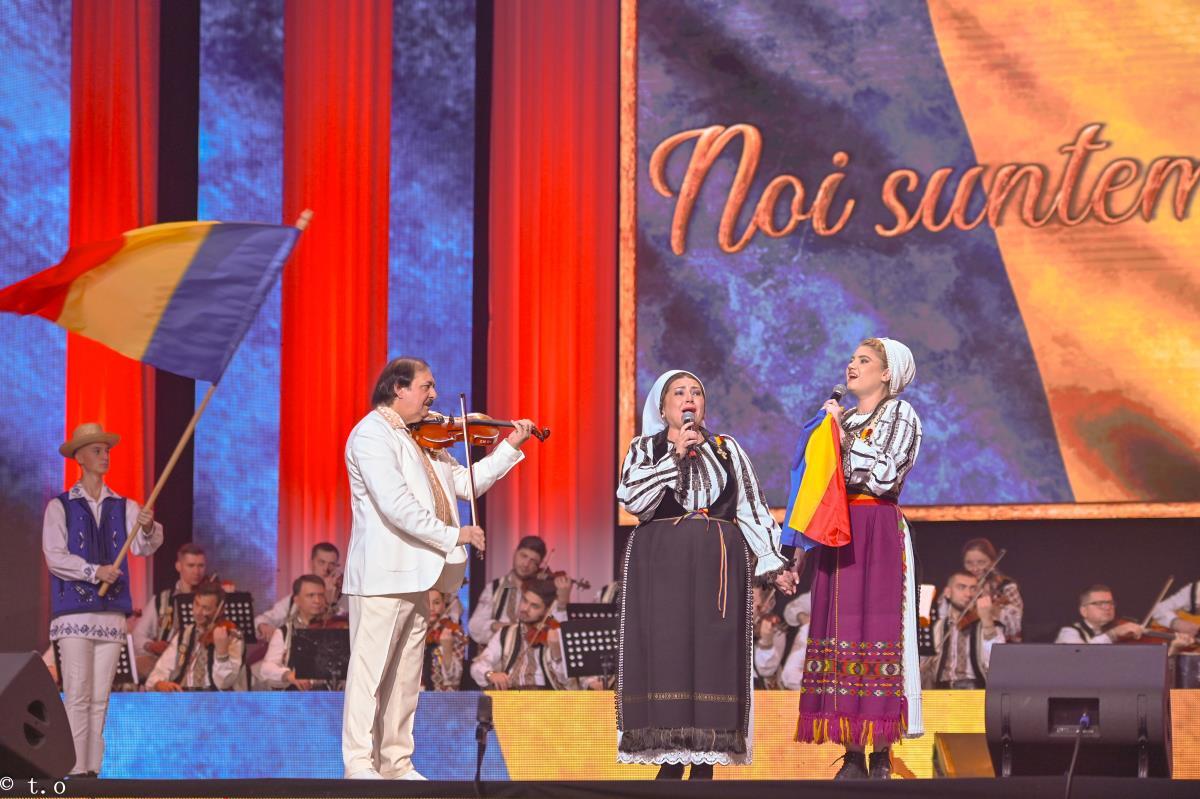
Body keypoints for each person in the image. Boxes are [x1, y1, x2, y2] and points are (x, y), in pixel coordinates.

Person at [340, 356, 536, 780]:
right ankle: (359, 763)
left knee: (405, 676)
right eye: (426, 386)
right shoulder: (371, 435)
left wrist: (509, 447)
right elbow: (396, 506)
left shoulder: (423, 437)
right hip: (382, 574)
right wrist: (454, 535)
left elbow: (465, 484)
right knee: (370, 673)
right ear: (399, 388)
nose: (434, 395)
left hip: (417, 575)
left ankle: (396, 762)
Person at [616, 370, 795, 779]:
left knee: (714, 652)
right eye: (679, 393)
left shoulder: (726, 449)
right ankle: (669, 756)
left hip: (718, 567)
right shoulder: (645, 448)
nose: (689, 398)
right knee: (667, 651)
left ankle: (706, 759)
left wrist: (773, 563)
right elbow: (633, 501)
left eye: (696, 392)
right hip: (663, 568)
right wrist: (674, 457)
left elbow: (750, 508)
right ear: (663, 408)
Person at [796, 338, 923, 780]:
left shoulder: (900, 414)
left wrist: (843, 435)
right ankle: (852, 751)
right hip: (840, 530)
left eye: (864, 360)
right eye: (852, 359)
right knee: (842, 629)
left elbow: (885, 473)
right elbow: (818, 483)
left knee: (881, 630)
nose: (852, 366)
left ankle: (882, 752)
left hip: (877, 529)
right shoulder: (843, 418)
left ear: (887, 374)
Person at [44, 423, 162, 778]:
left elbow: (144, 547)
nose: (105, 456)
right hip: (74, 614)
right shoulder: (60, 506)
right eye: (97, 450)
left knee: (100, 696)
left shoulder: (125, 506)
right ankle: (73, 766)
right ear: (79, 458)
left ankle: (91, 768)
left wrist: (147, 527)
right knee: (77, 692)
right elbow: (55, 556)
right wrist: (95, 572)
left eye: (106, 450)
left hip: (111, 614)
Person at [469, 578, 571, 690]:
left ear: (547, 611)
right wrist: (490, 674)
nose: (525, 608)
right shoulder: (505, 633)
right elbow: (477, 665)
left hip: (546, 697)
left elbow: (566, 680)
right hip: (512, 696)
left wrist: (557, 652)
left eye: (534, 606)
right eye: (525, 601)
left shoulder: (556, 634)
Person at [468, 535, 568, 645]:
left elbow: (558, 629)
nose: (526, 564)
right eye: (523, 556)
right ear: (515, 553)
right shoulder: (495, 587)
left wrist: (563, 600)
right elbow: (475, 626)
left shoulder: (544, 591)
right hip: (498, 651)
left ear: (539, 565)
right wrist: (500, 627)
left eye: (533, 561)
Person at [144, 582, 245, 691]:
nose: (198, 612)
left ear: (220, 610)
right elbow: (159, 672)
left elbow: (224, 683)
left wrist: (222, 653)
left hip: (214, 698)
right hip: (183, 695)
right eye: (196, 604)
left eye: (206, 608)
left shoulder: (232, 636)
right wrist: (159, 683)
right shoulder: (185, 634)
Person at [131, 542, 207, 677]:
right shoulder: (161, 599)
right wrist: (152, 646)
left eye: (201, 566)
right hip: (165, 661)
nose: (196, 572)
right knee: (137, 665)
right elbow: (137, 635)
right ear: (178, 566)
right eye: (191, 566)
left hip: (200, 661)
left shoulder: (210, 599)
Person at [921, 571, 1004, 691]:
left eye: (973, 589)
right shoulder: (937, 626)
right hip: (941, 692)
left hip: (975, 692)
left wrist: (987, 621)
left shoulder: (988, 624)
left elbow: (997, 663)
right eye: (961, 587)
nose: (968, 594)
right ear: (948, 593)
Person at [1059, 585, 1195, 652]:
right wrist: (1113, 634)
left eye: (1110, 603)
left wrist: (1173, 648)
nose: (1107, 607)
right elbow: (1079, 656)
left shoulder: (1121, 629)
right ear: (1084, 610)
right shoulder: (1069, 632)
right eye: (1099, 603)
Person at [256, 542, 345, 641]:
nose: (326, 569)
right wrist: (263, 626)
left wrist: (330, 600)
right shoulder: (298, 597)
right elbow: (264, 619)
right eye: (321, 562)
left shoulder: (348, 598)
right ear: (311, 563)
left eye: (332, 564)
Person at [258, 575, 332, 690]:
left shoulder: (333, 627)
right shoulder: (283, 632)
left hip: (331, 696)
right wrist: (288, 675)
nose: (317, 601)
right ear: (296, 600)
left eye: (321, 595)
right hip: (296, 697)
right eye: (311, 595)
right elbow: (266, 668)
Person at [957, 538, 1024, 641]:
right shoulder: (957, 587)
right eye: (969, 563)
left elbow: (1015, 629)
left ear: (992, 562)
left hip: (1000, 646)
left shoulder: (1006, 587)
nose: (975, 568)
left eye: (981, 562)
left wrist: (994, 610)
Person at [423, 589, 467, 691]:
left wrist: (447, 649)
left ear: (444, 604)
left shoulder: (453, 631)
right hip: (418, 696)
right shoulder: (415, 633)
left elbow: (454, 679)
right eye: (426, 603)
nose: (431, 608)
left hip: (444, 697)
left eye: (436, 603)